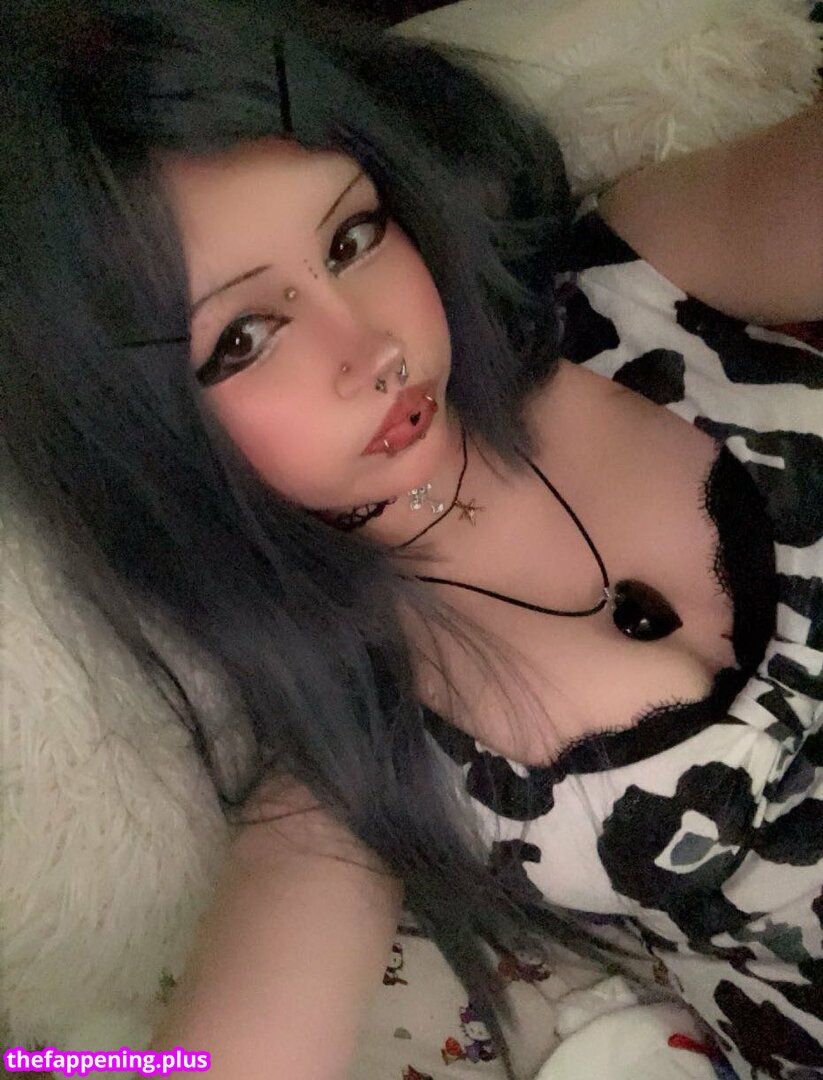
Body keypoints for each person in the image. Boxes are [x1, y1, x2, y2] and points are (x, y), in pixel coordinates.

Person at [1, 2, 820, 1077]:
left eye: (351, 238)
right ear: (138, 429)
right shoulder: (365, 749)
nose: (372, 348)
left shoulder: (642, 284)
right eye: (243, 337)